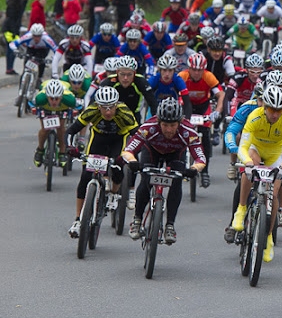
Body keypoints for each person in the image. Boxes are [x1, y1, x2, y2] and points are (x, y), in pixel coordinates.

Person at [122, 98, 206, 244]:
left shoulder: (188, 131)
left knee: (176, 182)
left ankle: (170, 225)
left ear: (179, 122)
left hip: (176, 153)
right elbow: (128, 150)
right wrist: (133, 161)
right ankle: (137, 220)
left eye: (173, 125)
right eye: (165, 125)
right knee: (146, 180)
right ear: (158, 121)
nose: (168, 129)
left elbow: (201, 159)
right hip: (152, 150)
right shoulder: (148, 127)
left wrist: (193, 169)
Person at [230, 85, 282, 262]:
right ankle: (241, 210)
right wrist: (248, 163)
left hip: (274, 154)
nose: (275, 114)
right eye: (272, 109)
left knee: (273, 196)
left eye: (279, 110)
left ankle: (268, 238)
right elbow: (243, 146)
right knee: (248, 169)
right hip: (255, 149)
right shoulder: (254, 116)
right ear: (265, 107)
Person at [65, 86, 138, 237]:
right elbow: (70, 131)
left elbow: (138, 137)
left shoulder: (125, 113)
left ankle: (114, 193)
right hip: (98, 140)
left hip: (118, 140)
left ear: (117, 104)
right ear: (98, 106)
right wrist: (70, 147)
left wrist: (128, 155)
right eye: (104, 108)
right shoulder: (91, 111)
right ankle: (78, 219)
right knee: (85, 177)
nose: (108, 111)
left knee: (118, 169)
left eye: (111, 107)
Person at [178, 53, 224, 179]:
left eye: (199, 70)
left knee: (205, 136)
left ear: (203, 69)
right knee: (181, 132)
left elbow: (221, 94)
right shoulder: (182, 76)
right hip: (186, 105)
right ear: (189, 68)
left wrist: (218, 111)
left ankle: (205, 171)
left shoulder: (208, 77)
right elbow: (175, 94)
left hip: (203, 107)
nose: (196, 73)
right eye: (193, 69)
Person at [100, 55, 157, 124]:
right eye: (122, 74)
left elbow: (153, 103)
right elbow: (95, 102)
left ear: (134, 73)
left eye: (129, 74)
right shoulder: (110, 81)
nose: (125, 78)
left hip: (133, 117)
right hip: (113, 117)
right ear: (117, 72)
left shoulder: (140, 81)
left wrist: (155, 122)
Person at [32, 79, 77, 167]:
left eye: (56, 99)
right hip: (45, 108)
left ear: (61, 97)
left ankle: (62, 152)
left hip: (62, 109)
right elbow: (33, 105)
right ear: (47, 96)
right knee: (45, 129)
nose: (54, 102)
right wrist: (33, 109)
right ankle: (40, 150)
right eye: (51, 99)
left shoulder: (69, 99)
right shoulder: (40, 98)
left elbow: (77, 107)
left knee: (61, 128)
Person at [3, 0, 25, 74]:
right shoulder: (13, 6)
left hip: (12, 29)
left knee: (11, 48)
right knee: (12, 48)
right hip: (11, 30)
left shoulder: (13, 4)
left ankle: (10, 67)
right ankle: (9, 68)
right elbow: (12, 19)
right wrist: (14, 31)